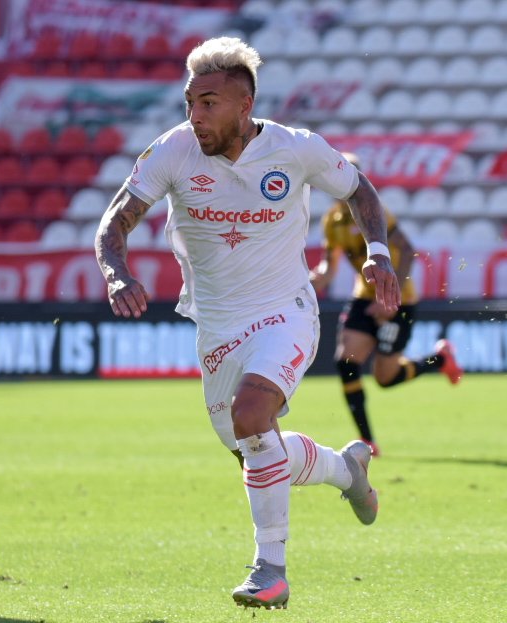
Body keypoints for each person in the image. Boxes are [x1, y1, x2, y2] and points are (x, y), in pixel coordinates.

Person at [95, 37, 400, 610]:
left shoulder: (296, 149)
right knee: (257, 450)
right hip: (215, 326)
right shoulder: (173, 151)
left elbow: (359, 191)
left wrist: (377, 252)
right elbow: (114, 222)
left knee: (252, 416)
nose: (196, 115)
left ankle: (271, 571)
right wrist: (116, 272)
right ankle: (346, 468)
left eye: (209, 102)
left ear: (244, 104)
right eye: (190, 102)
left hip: (286, 311)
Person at [310, 153, 463, 457]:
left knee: (385, 378)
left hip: (399, 300)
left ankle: (439, 359)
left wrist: (390, 294)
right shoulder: (332, 221)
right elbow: (328, 270)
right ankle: (367, 441)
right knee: (346, 362)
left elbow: (407, 249)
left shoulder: (373, 211)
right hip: (364, 298)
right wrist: (305, 283)